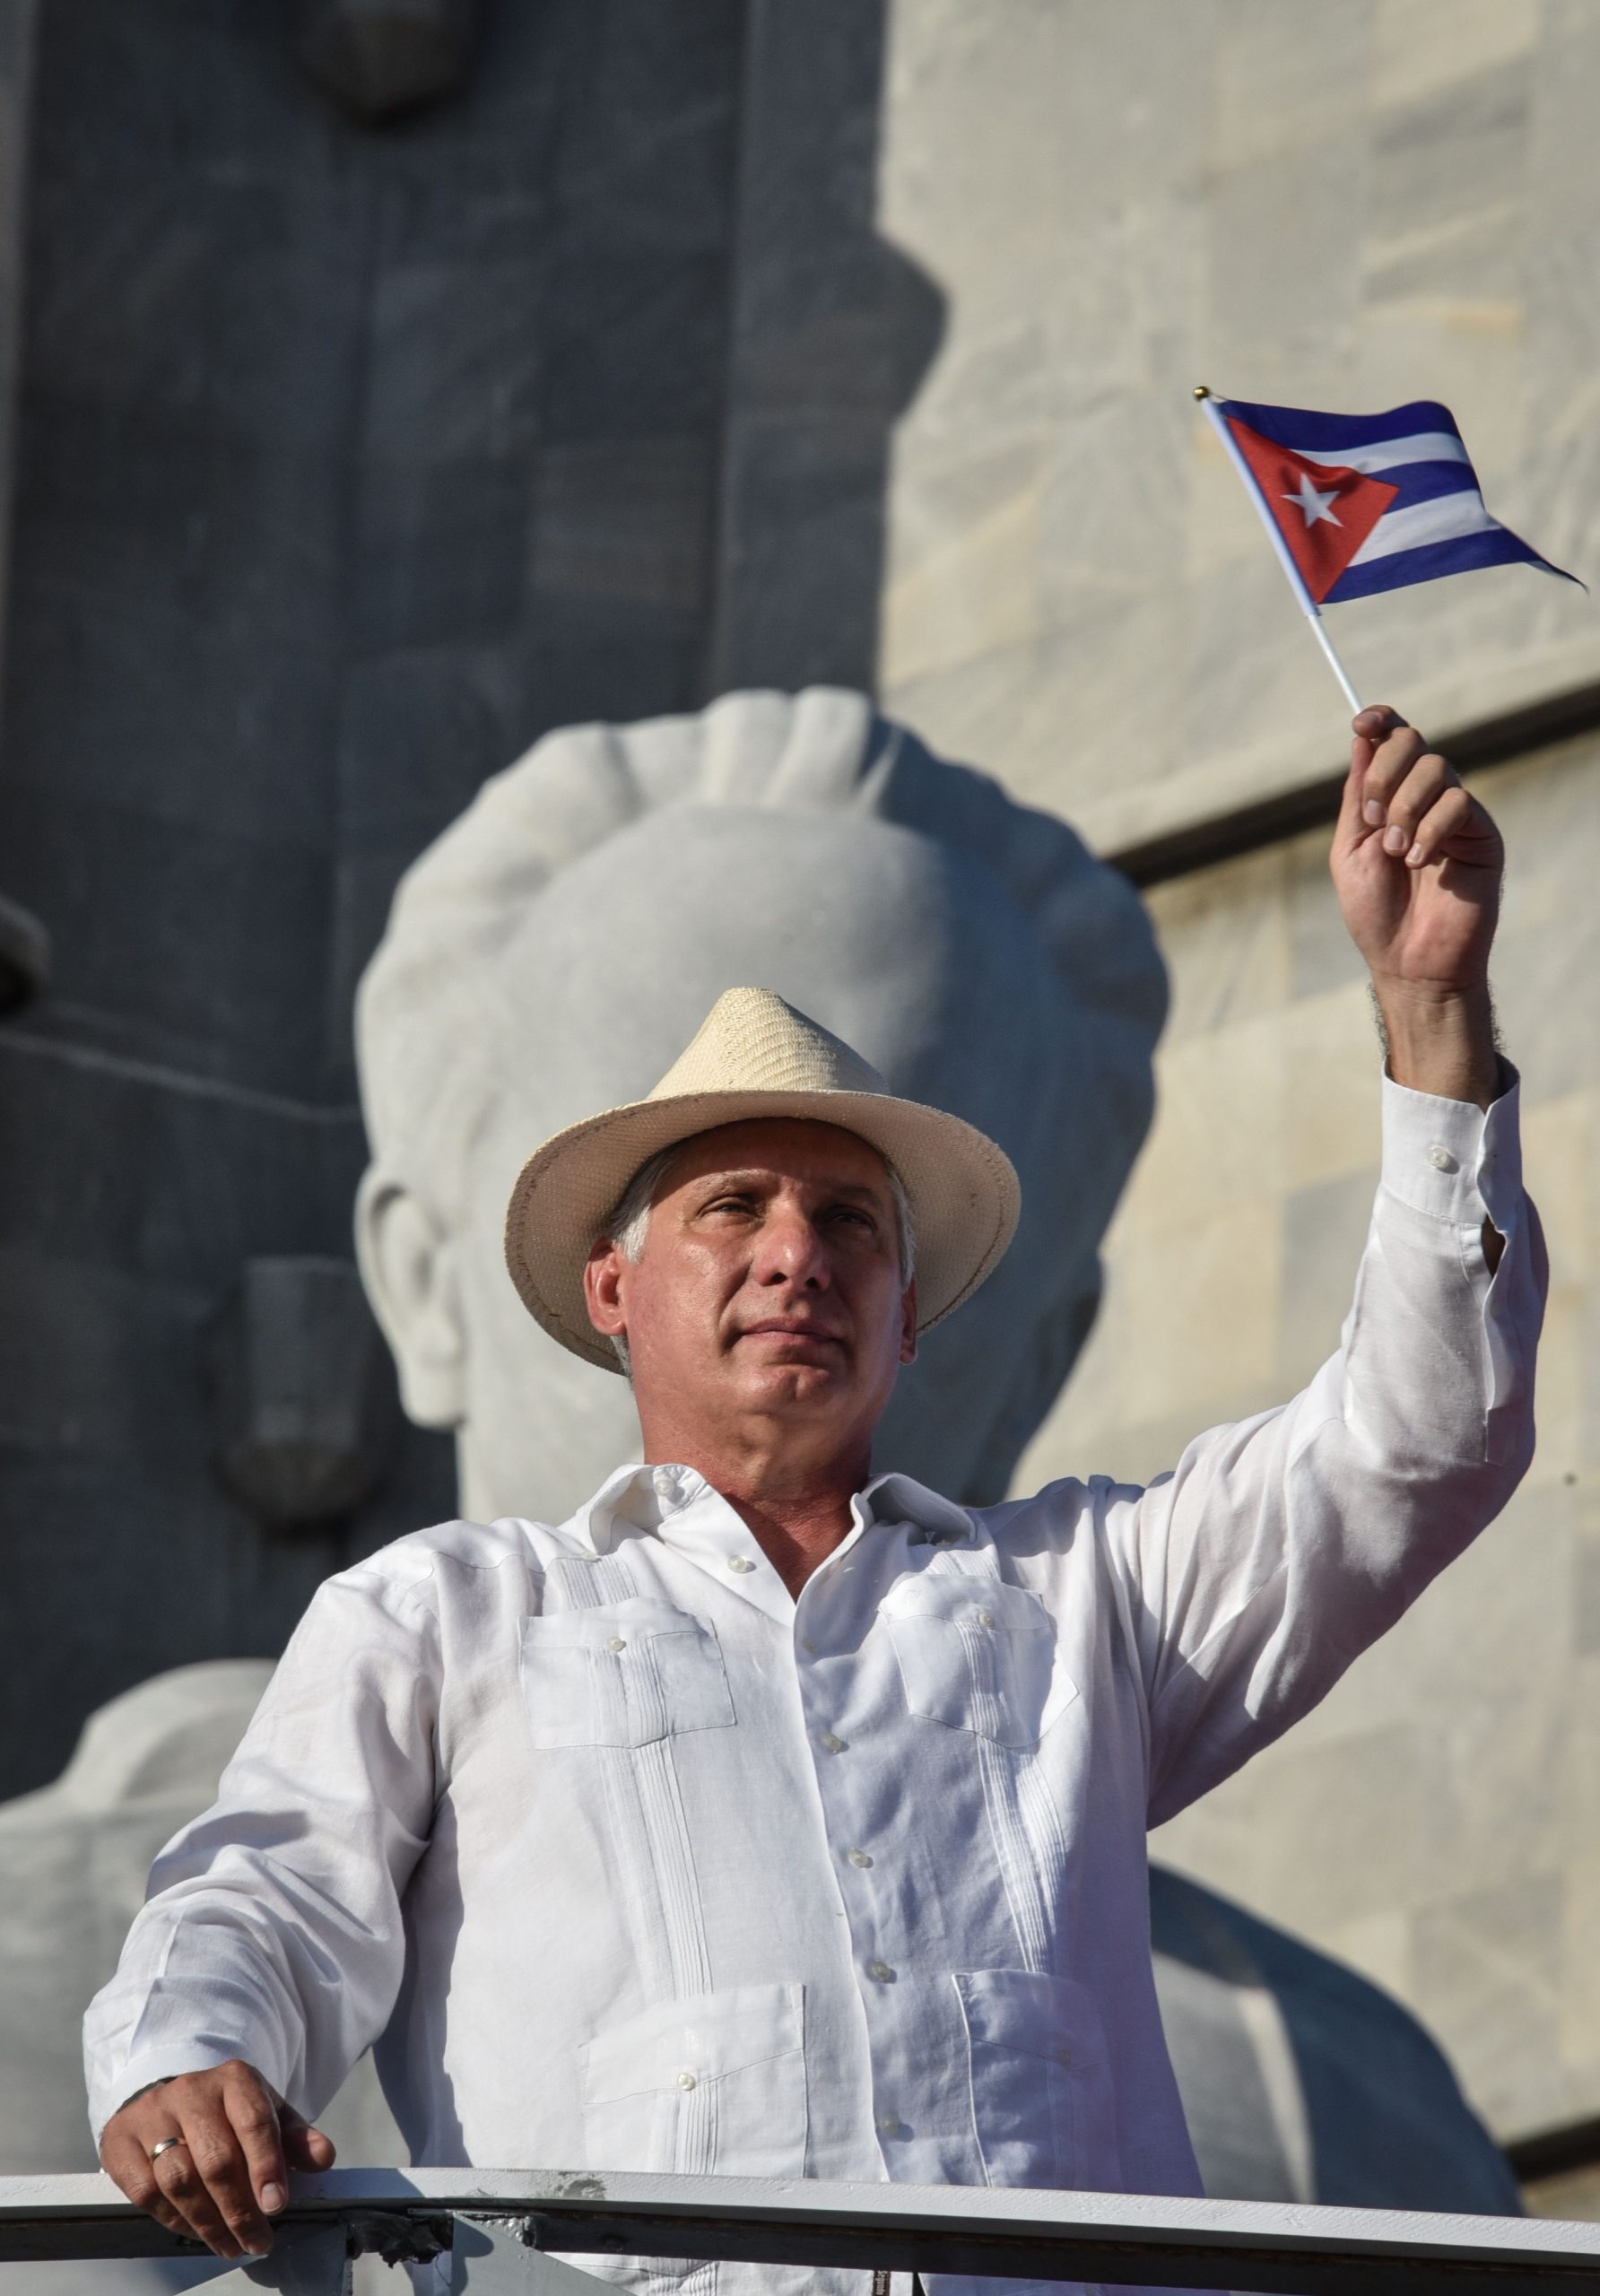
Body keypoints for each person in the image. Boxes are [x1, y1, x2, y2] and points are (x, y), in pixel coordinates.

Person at [89, 709, 1543, 2294]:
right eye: (733, 1205)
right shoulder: (447, 1613)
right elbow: (271, 1887)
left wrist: (1431, 1016)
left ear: (910, 1317)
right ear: (611, 1290)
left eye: (851, 1218)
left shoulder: (1082, 1600)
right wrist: (193, 2058)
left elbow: (1419, 1440)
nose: (799, 1251)